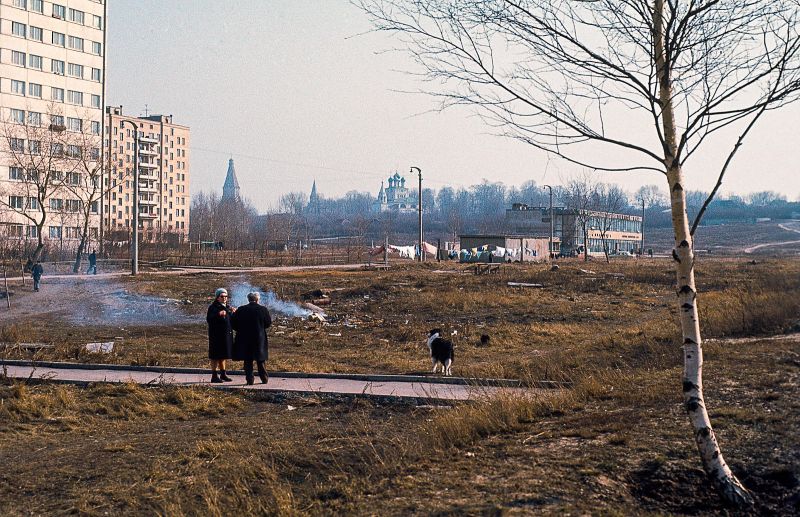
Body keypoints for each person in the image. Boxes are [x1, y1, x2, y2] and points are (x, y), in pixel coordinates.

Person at [231, 291, 272, 385]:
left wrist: (240, 330)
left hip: (244, 338)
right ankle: (264, 378)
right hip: (259, 337)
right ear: (257, 299)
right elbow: (268, 323)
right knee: (260, 359)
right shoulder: (263, 309)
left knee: (248, 360)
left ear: (248, 299)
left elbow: (233, 323)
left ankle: (250, 380)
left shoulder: (241, 309)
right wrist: (260, 328)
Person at [206, 288, 235, 383]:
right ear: (217, 297)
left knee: (223, 355)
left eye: (226, 296)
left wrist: (233, 313)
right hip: (216, 335)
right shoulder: (213, 307)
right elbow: (209, 319)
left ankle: (223, 374)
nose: (224, 298)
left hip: (226, 335)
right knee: (215, 356)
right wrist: (218, 314)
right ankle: (214, 375)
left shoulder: (227, 307)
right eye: (222, 296)